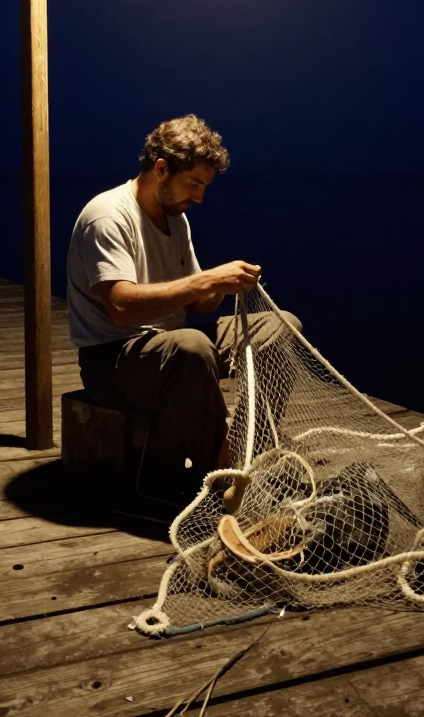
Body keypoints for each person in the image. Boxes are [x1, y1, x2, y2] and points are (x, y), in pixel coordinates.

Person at [66, 114, 298, 508]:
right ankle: (224, 481)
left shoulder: (177, 220)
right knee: (190, 347)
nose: (200, 197)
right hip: (111, 359)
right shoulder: (108, 216)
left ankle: (247, 455)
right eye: (193, 184)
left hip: (165, 347)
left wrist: (226, 285)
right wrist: (206, 280)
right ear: (161, 169)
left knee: (281, 326)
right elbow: (121, 307)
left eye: (204, 186)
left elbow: (193, 303)